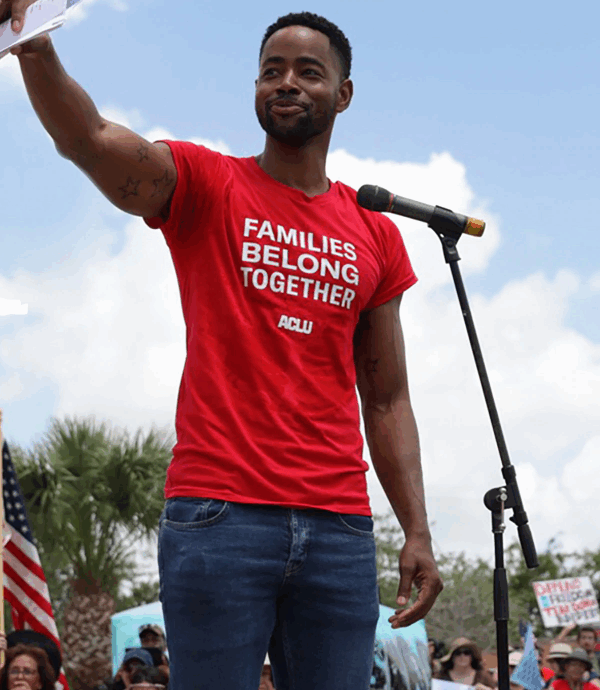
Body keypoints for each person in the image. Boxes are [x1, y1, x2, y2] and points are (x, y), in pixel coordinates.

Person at [6, 3, 444, 688]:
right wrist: (31, 48)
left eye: (308, 71)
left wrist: (416, 529)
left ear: (344, 93)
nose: (287, 83)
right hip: (220, 516)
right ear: (255, 88)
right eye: (271, 71)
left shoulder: (376, 232)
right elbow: (90, 139)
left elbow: (387, 397)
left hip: (341, 529)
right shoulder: (207, 183)